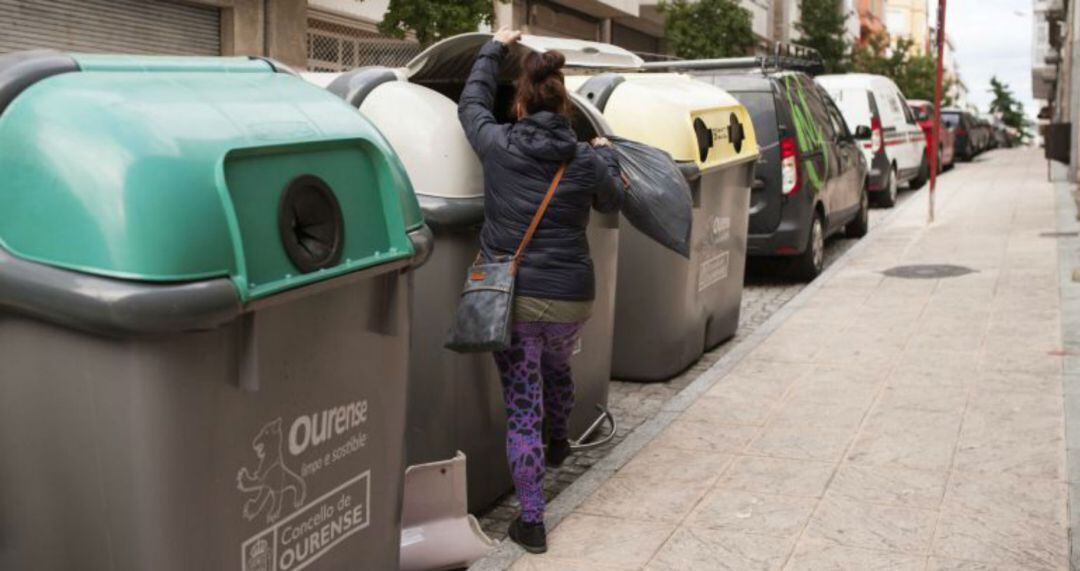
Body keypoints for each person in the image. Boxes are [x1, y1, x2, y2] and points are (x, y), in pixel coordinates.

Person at [458, 28, 623, 553]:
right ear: (565, 100)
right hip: (573, 298)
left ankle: (532, 520)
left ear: (521, 101)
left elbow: (471, 103)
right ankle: (559, 438)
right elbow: (611, 203)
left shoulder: (499, 144)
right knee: (557, 364)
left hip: (516, 301)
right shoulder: (584, 158)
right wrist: (606, 154)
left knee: (521, 406)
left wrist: (494, 47)